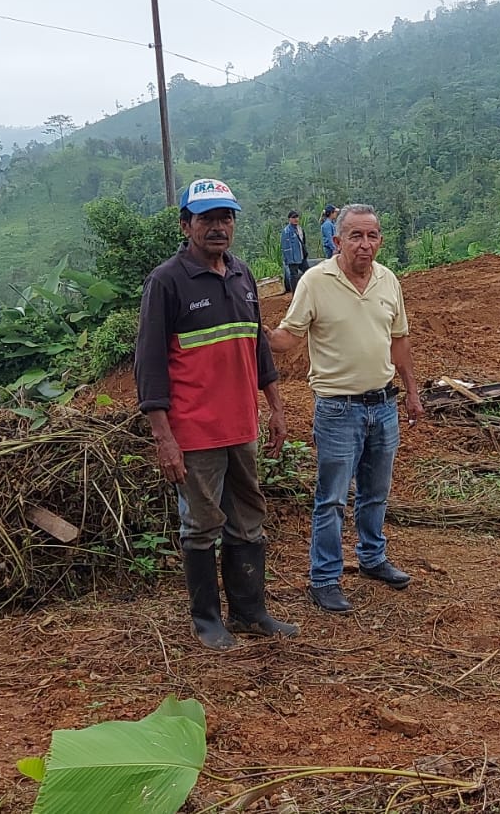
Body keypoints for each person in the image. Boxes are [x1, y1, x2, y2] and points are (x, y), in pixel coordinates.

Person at [136, 177, 297, 649]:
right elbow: (149, 365)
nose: (218, 227)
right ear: (186, 225)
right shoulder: (167, 281)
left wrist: (275, 408)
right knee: (202, 523)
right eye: (207, 218)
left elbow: (258, 348)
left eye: (225, 218)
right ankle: (206, 621)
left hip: (241, 425)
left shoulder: (242, 274)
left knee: (248, 517)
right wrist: (164, 438)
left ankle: (250, 612)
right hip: (195, 431)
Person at [268, 204, 423, 613]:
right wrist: (260, 334)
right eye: (355, 236)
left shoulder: (388, 280)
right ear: (337, 241)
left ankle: (372, 557)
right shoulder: (315, 282)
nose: (364, 244)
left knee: (376, 493)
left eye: (371, 236)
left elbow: (399, 341)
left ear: (380, 241)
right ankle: (324, 578)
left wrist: (411, 391)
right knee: (332, 498)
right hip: (338, 410)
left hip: (383, 405)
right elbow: (289, 337)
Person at [281, 210, 307, 293]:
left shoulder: (300, 229)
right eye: (293, 217)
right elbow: (285, 247)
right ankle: (295, 294)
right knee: (294, 276)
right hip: (292, 258)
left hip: (301, 256)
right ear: (289, 219)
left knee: (308, 272)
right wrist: (288, 259)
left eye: (297, 217)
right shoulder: (286, 231)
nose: (296, 219)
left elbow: (303, 242)